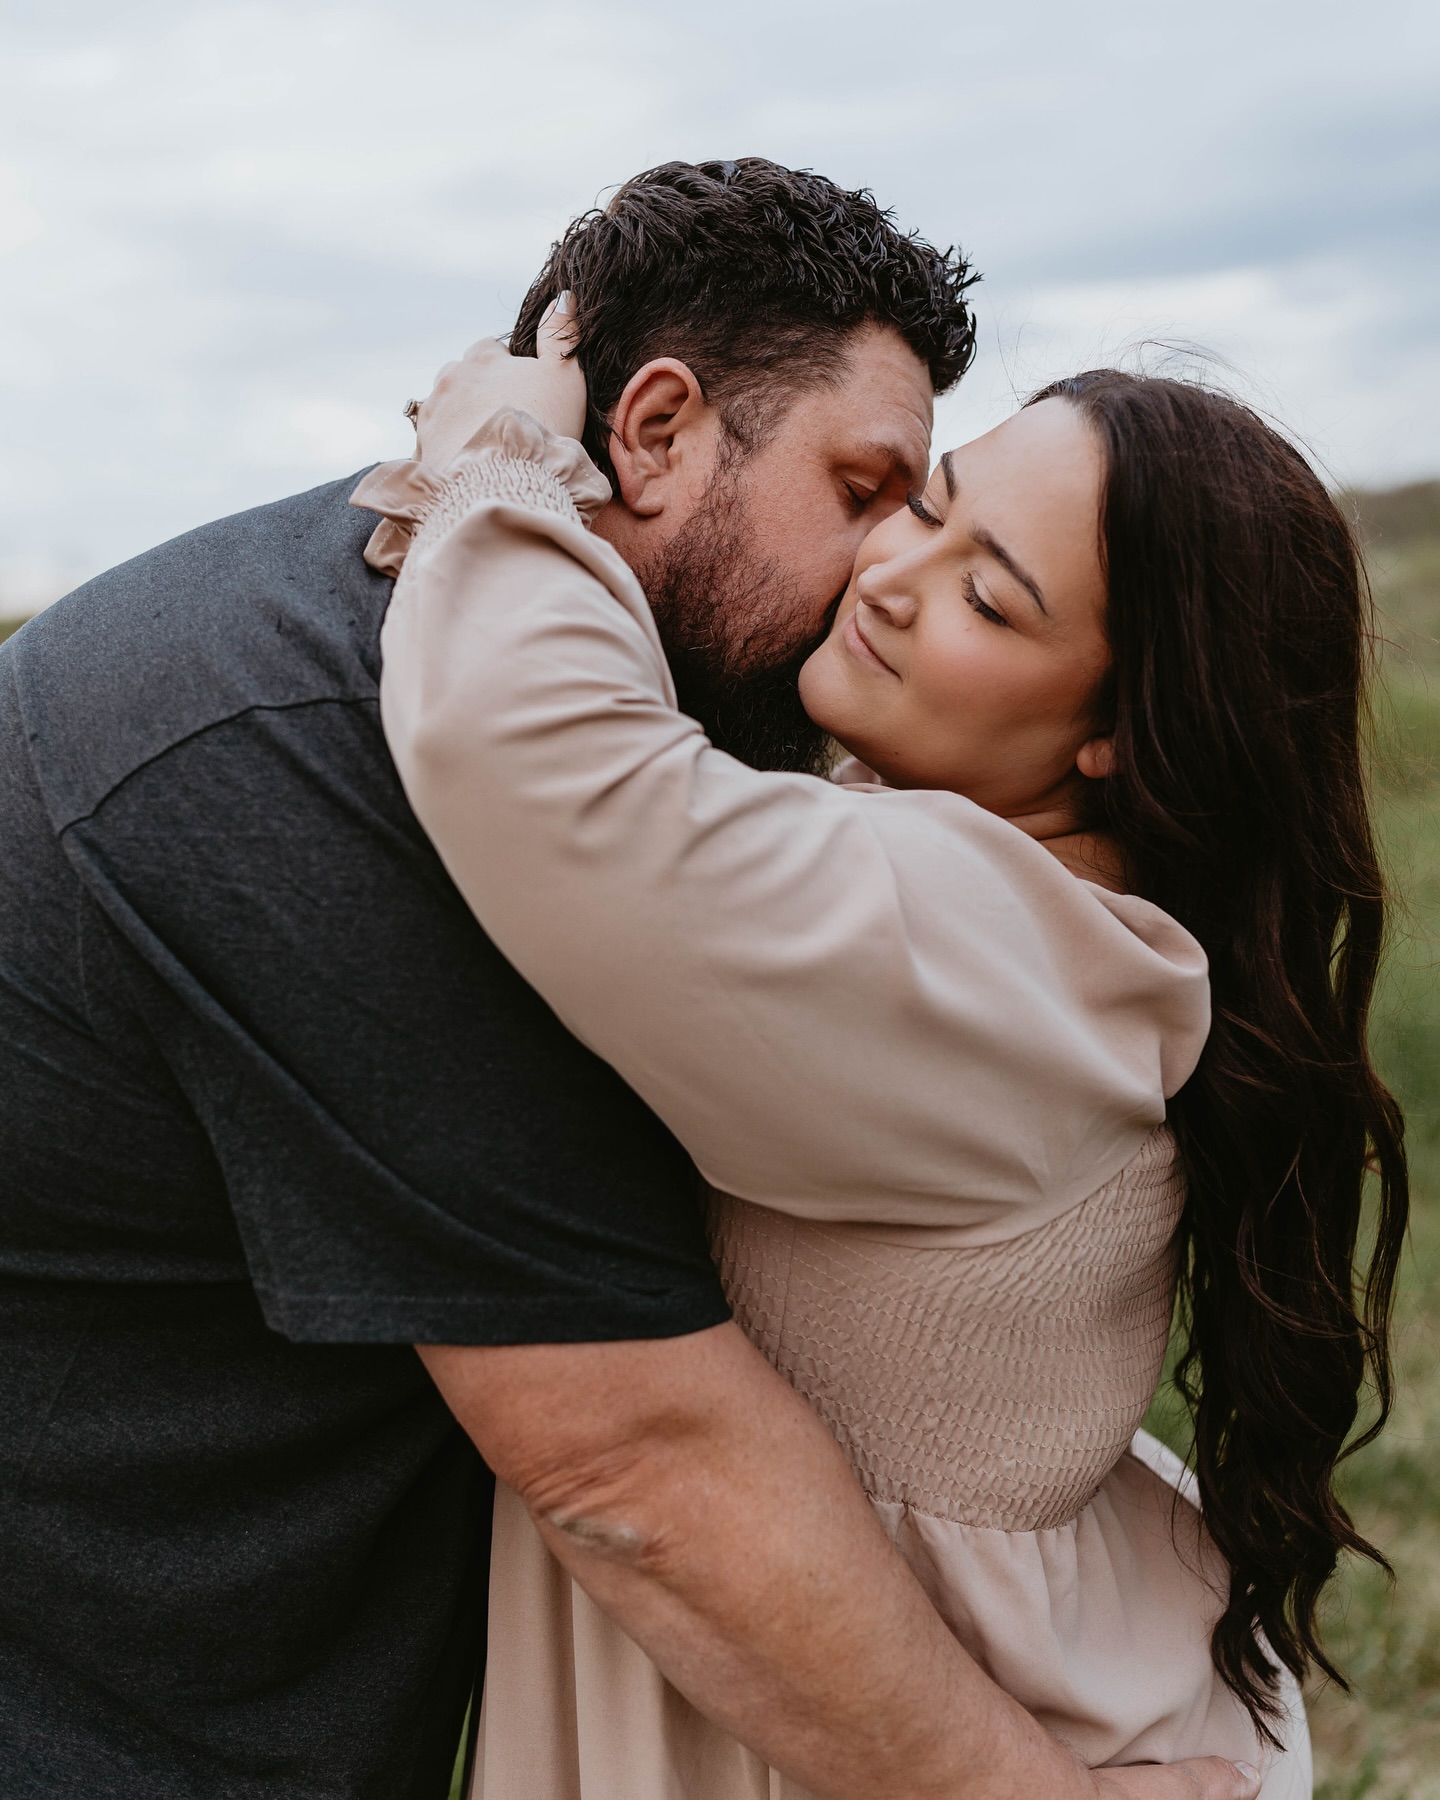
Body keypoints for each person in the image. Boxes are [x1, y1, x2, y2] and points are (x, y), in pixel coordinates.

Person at [0, 156, 1254, 1800]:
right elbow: (637, 1461)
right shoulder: (308, 764)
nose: (881, 570)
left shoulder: (426, 665)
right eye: (874, 489)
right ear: (653, 432)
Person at [368, 302, 1409, 1798]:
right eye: (923, 502)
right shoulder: (1058, 925)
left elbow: (536, 762)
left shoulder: (971, 951)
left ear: (1118, 731)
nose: (895, 578)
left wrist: (503, 454)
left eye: (991, 598)